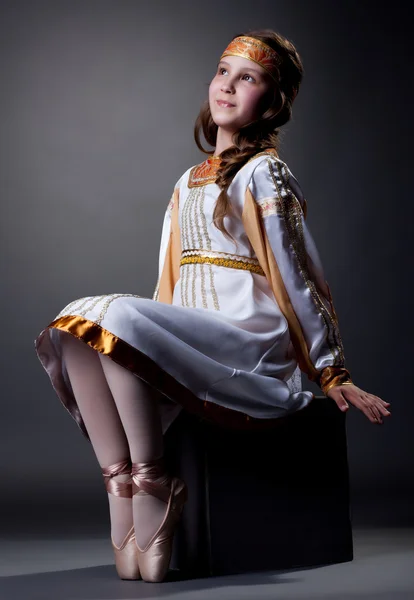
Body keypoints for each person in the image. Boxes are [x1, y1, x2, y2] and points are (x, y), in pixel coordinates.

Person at [34, 29, 391, 583]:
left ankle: (156, 480)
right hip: (195, 330)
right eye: (223, 71)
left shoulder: (264, 172)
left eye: (247, 78)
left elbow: (298, 276)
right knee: (80, 321)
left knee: (117, 316)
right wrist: (146, 355)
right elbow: (167, 281)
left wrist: (330, 368)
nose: (228, 85)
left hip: (247, 338)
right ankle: (121, 481)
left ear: (270, 102)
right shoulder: (186, 181)